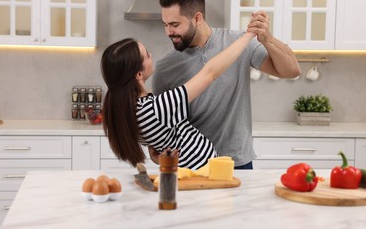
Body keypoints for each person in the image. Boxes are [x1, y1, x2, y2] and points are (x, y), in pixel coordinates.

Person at [151, 0, 302, 169]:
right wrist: (162, 157)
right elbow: (156, 132)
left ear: (197, 18)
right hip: (193, 166)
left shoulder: (237, 43)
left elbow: (292, 70)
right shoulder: (166, 68)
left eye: (174, 24)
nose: (168, 32)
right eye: (165, 25)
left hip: (237, 162)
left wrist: (267, 39)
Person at [101, 31, 255, 170]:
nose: (151, 56)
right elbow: (210, 73)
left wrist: (157, 157)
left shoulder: (130, 109)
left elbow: (155, 148)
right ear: (138, 75)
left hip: (186, 171)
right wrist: (248, 35)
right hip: (199, 173)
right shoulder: (156, 108)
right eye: (147, 55)